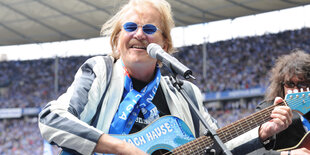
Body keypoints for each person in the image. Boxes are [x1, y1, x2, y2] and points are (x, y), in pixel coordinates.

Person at [38, 0, 292, 154]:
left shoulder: (185, 92)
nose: (139, 34)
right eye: (130, 27)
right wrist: (120, 147)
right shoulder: (99, 71)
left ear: (165, 45)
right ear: (117, 41)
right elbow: (51, 119)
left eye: (149, 29)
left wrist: (262, 132)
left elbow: (216, 145)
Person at [256, 49, 310, 155]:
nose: (295, 89)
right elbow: (253, 151)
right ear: (281, 85)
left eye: (302, 83)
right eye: (290, 84)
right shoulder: (267, 108)